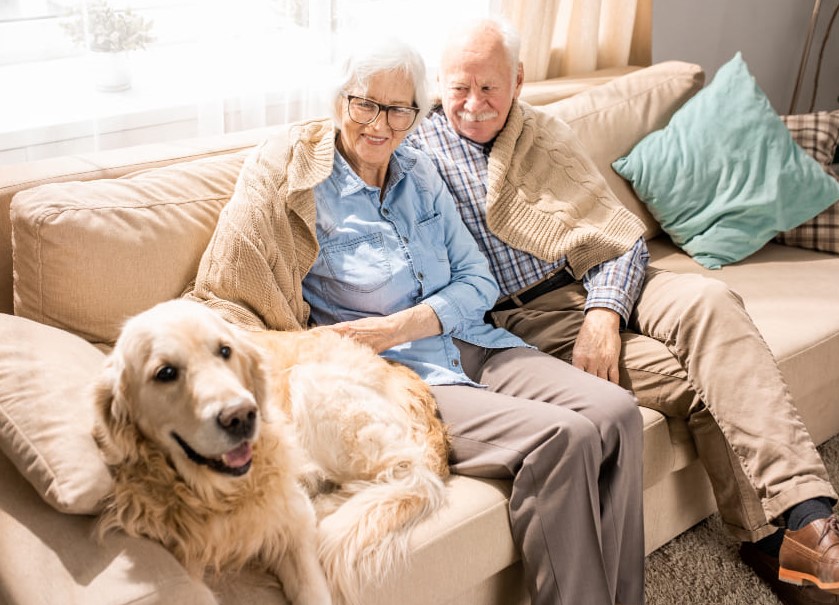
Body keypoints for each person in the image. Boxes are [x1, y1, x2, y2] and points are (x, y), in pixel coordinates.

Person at [185, 38, 644, 605]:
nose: (381, 124)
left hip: (473, 340)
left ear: (415, 113)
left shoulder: (420, 171)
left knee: (618, 412)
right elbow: (233, 291)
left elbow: (479, 280)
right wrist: (378, 343)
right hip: (402, 379)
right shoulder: (301, 186)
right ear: (339, 101)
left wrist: (401, 324)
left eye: (400, 109)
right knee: (564, 437)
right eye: (366, 104)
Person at [407, 16, 839, 605]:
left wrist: (604, 314)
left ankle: (811, 516)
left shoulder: (546, 134)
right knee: (705, 384)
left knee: (710, 298)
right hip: (530, 318)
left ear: (519, 80)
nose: (475, 104)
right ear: (438, 83)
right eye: (460, 87)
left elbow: (619, 235)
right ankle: (776, 544)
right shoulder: (416, 156)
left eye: (490, 87)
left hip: (609, 276)